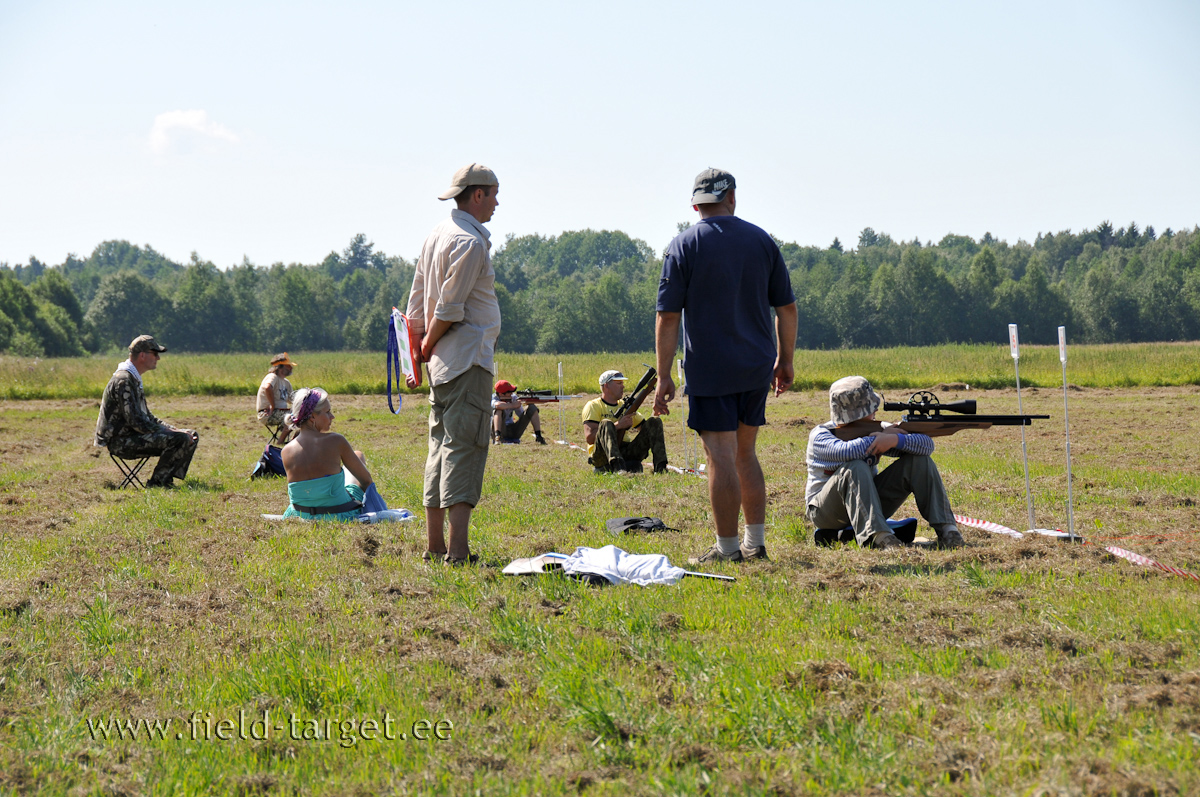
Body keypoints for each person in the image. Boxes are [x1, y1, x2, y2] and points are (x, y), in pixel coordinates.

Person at [654, 168, 798, 564]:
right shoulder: (762, 241)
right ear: (731, 197)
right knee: (745, 453)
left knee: (719, 455)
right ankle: (756, 543)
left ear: (696, 205)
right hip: (755, 366)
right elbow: (786, 308)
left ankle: (728, 548)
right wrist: (785, 360)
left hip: (710, 368)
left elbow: (668, 316)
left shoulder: (683, 246)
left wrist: (663, 376)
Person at [405, 163, 502, 565]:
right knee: (465, 449)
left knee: (439, 450)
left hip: (441, 368)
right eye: (494, 195)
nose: (496, 203)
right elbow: (449, 308)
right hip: (466, 361)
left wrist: (417, 352)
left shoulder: (436, 235)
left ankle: (435, 546)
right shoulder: (470, 242)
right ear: (477, 195)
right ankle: (458, 552)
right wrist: (427, 345)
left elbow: (415, 304)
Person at [805, 376, 965, 549]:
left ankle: (948, 530)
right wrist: (879, 440)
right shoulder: (821, 435)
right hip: (826, 514)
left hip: (867, 506)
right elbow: (846, 451)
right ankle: (880, 538)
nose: (876, 410)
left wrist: (895, 440)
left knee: (919, 461)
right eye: (871, 407)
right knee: (855, 467)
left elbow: (926, 446)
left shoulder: (877, 429)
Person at [94, 334, 199, 489]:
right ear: (142, 355)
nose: (158, 358)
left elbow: (148, 417)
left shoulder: (132, 378)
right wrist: (173, 433)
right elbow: (136, 422)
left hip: (132, 436)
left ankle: (167, 478)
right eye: (155, 354)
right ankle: (158, 484)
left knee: (190, 435)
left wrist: (174, 429)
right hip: (121, 442)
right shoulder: (124, 380)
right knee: (180, 439)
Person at [279, 388, 386, 521]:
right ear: (312, 416)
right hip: (340, 512)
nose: (332, 416)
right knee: (358, 455)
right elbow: (366, 481)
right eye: (328, 412)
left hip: (302, 514)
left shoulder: (286, 451)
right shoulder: (336, 441)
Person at [582, 369, 668, 474]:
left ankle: (661, 468)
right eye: (619, 383)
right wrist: (618, 425)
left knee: (654, 421)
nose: (622, 386)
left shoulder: (624, 406)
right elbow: (590, 438)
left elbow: (647, 429)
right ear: (606, 386)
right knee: (606, 423)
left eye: (622, 383)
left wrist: (655, 412)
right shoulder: (593, 406)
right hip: (602, 455)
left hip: (625, 451)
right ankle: (618, 468)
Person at [492, 379, 547, 445]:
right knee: (498, 410)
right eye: (509, 392)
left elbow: (521, 414)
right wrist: (512, 405)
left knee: (532, 408)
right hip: (501, 429)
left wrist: (527, 402)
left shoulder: (513, 397)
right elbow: (497, 405)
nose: (512, 394)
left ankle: (539, 436)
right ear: (501, 394)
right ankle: (497, 436)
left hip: (512, 429)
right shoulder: (493, 398)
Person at [257, 353, 295, 443]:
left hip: (281, 412)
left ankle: (294, 442)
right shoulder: (272, 377)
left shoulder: (286, 383)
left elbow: (292, 399)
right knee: (294, 417)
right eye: (288, 366)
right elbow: (267, 387)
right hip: (267, 414)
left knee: (304, 416)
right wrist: (272, 406)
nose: (291, 368)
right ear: (281, 367)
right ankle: (280, 442)